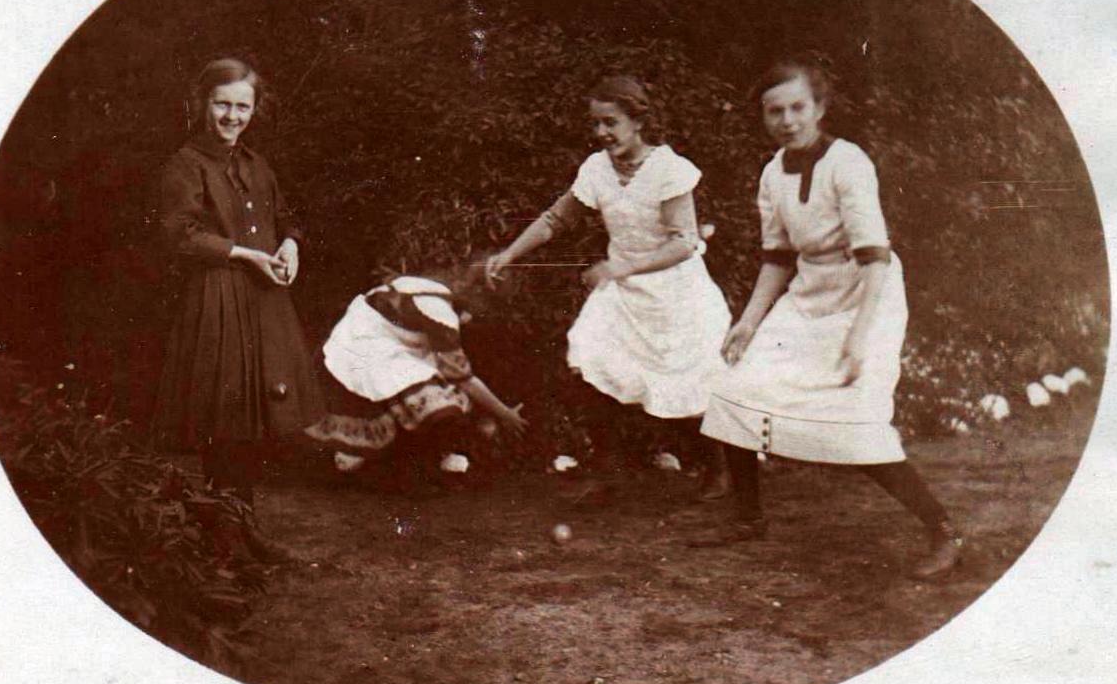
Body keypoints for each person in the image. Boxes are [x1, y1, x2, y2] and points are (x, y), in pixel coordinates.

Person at [694, 54, 966, 581]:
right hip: (810, 290)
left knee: (854, 415)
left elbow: (874, 255)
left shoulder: (849, 163)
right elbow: (777, 256)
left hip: (868, 290)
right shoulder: (772, 173)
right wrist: (748, 323)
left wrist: (861, 336)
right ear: (764, 117)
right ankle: (748, 518)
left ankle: (942, 528)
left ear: (820, 108)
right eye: (775, 111)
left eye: (798, 107)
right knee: (737, 384)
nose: (788, 120)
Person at [485, 74, 732, 496]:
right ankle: (606, 471)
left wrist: (621, 270)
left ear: (637, 122)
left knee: (688, 382)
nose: (602, 133)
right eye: (596, 124)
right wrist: (509, 253)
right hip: (625, 294)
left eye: (611, 122)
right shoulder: (596, 169)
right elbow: (555, 219)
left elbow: (684, 243)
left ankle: (719, 467)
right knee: (593, 363)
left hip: (677, 295)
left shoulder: (669, 170)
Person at [151, 58, 322, 534]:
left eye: (242, 106)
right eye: (222, 104)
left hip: (262, 301)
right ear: (202, 103)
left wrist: (290, 243)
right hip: (217, 299)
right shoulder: (185, 165)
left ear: (254, 109)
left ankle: (237, 529)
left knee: (253, 420)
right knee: (225, 419)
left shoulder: (256, 165)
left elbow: (287, 216)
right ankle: (225, 533)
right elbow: (179, 235)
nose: (232, 116)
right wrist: (243, 253)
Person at [304, 270, 528, 489]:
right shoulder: (441, 315)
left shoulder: (433, 287)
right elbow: (464, 379)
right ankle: (377, 457)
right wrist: (505, 414)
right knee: (442, 398)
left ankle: (375, 454)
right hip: (365, 349)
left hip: (359, 339)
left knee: (430, 381)